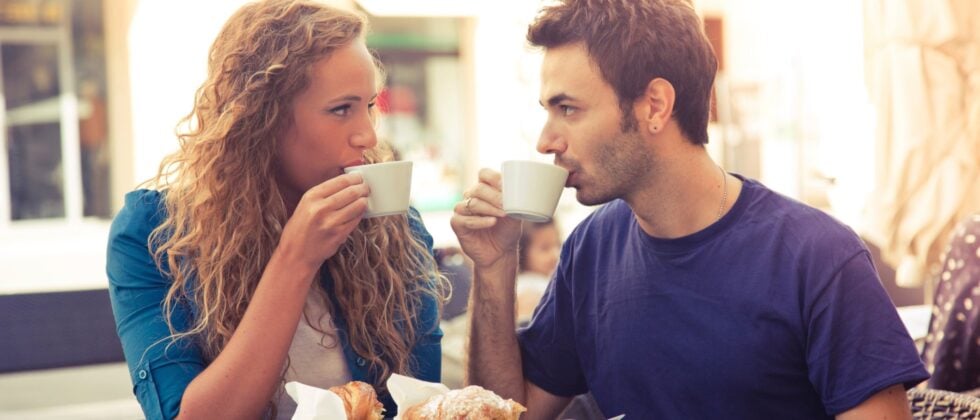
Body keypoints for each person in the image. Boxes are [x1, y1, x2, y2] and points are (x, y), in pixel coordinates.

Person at [450, 0, 929, 418]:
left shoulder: (818, 256)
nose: (546, 140)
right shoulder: (591, 249)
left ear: (655, 105)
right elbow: (507, 415)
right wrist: (493, 267)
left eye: (568, 109)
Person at [106, 1, 446, 419]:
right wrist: (295, 260)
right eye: (342, 109)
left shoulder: (397, 230)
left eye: (370, 105)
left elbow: (423, 405)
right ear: (263, 120)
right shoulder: (155, 236)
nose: (367, 134)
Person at [516, 220, 561, 323]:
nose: (555, 254)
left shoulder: (547, 280)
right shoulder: (528, 290)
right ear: (521, 253)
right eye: (545, 248)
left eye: (557, 245)